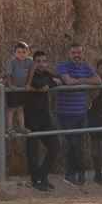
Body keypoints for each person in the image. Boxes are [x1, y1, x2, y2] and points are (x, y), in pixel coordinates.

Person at [55, 44, 101, 186]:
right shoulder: (62, 66)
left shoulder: (86, 67)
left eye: (79, 52)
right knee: (70, 144)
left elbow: (98, 80)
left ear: (83, 53)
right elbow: (68, 81)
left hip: (81, 112)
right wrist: (84, 82)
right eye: (74, 52)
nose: (77, 55)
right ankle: (70, 174)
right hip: (65, 113)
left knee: (79, 144)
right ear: (69, 53)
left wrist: (79, 82)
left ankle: (79, 173)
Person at [23, 50, 61, 191]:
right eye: (38, 61)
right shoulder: (29, 75)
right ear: (33, 63)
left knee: (55, 146)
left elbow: (55, 82)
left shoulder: (46, 74)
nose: (41, 64)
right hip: (31, 116)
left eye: (44, 61)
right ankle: (36, 180)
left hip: (45, 116)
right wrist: (49, 84)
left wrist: (50, 83)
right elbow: (40, 84)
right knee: (33, 150)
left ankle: (42, 175)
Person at [4, 42, 34, 137]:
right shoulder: (11, 62)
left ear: (28, 52)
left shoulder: (29, 61)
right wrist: (10, 85)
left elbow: (31, 72)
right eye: (19, 52)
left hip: (22, 88)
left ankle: (22, 127)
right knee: (11, 109)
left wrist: (28, 84)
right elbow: (8, 74)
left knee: (20, 108)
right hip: (13, 88)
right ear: (15, 53)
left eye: (24, 52)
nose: (21, 54)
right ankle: (9, 128)